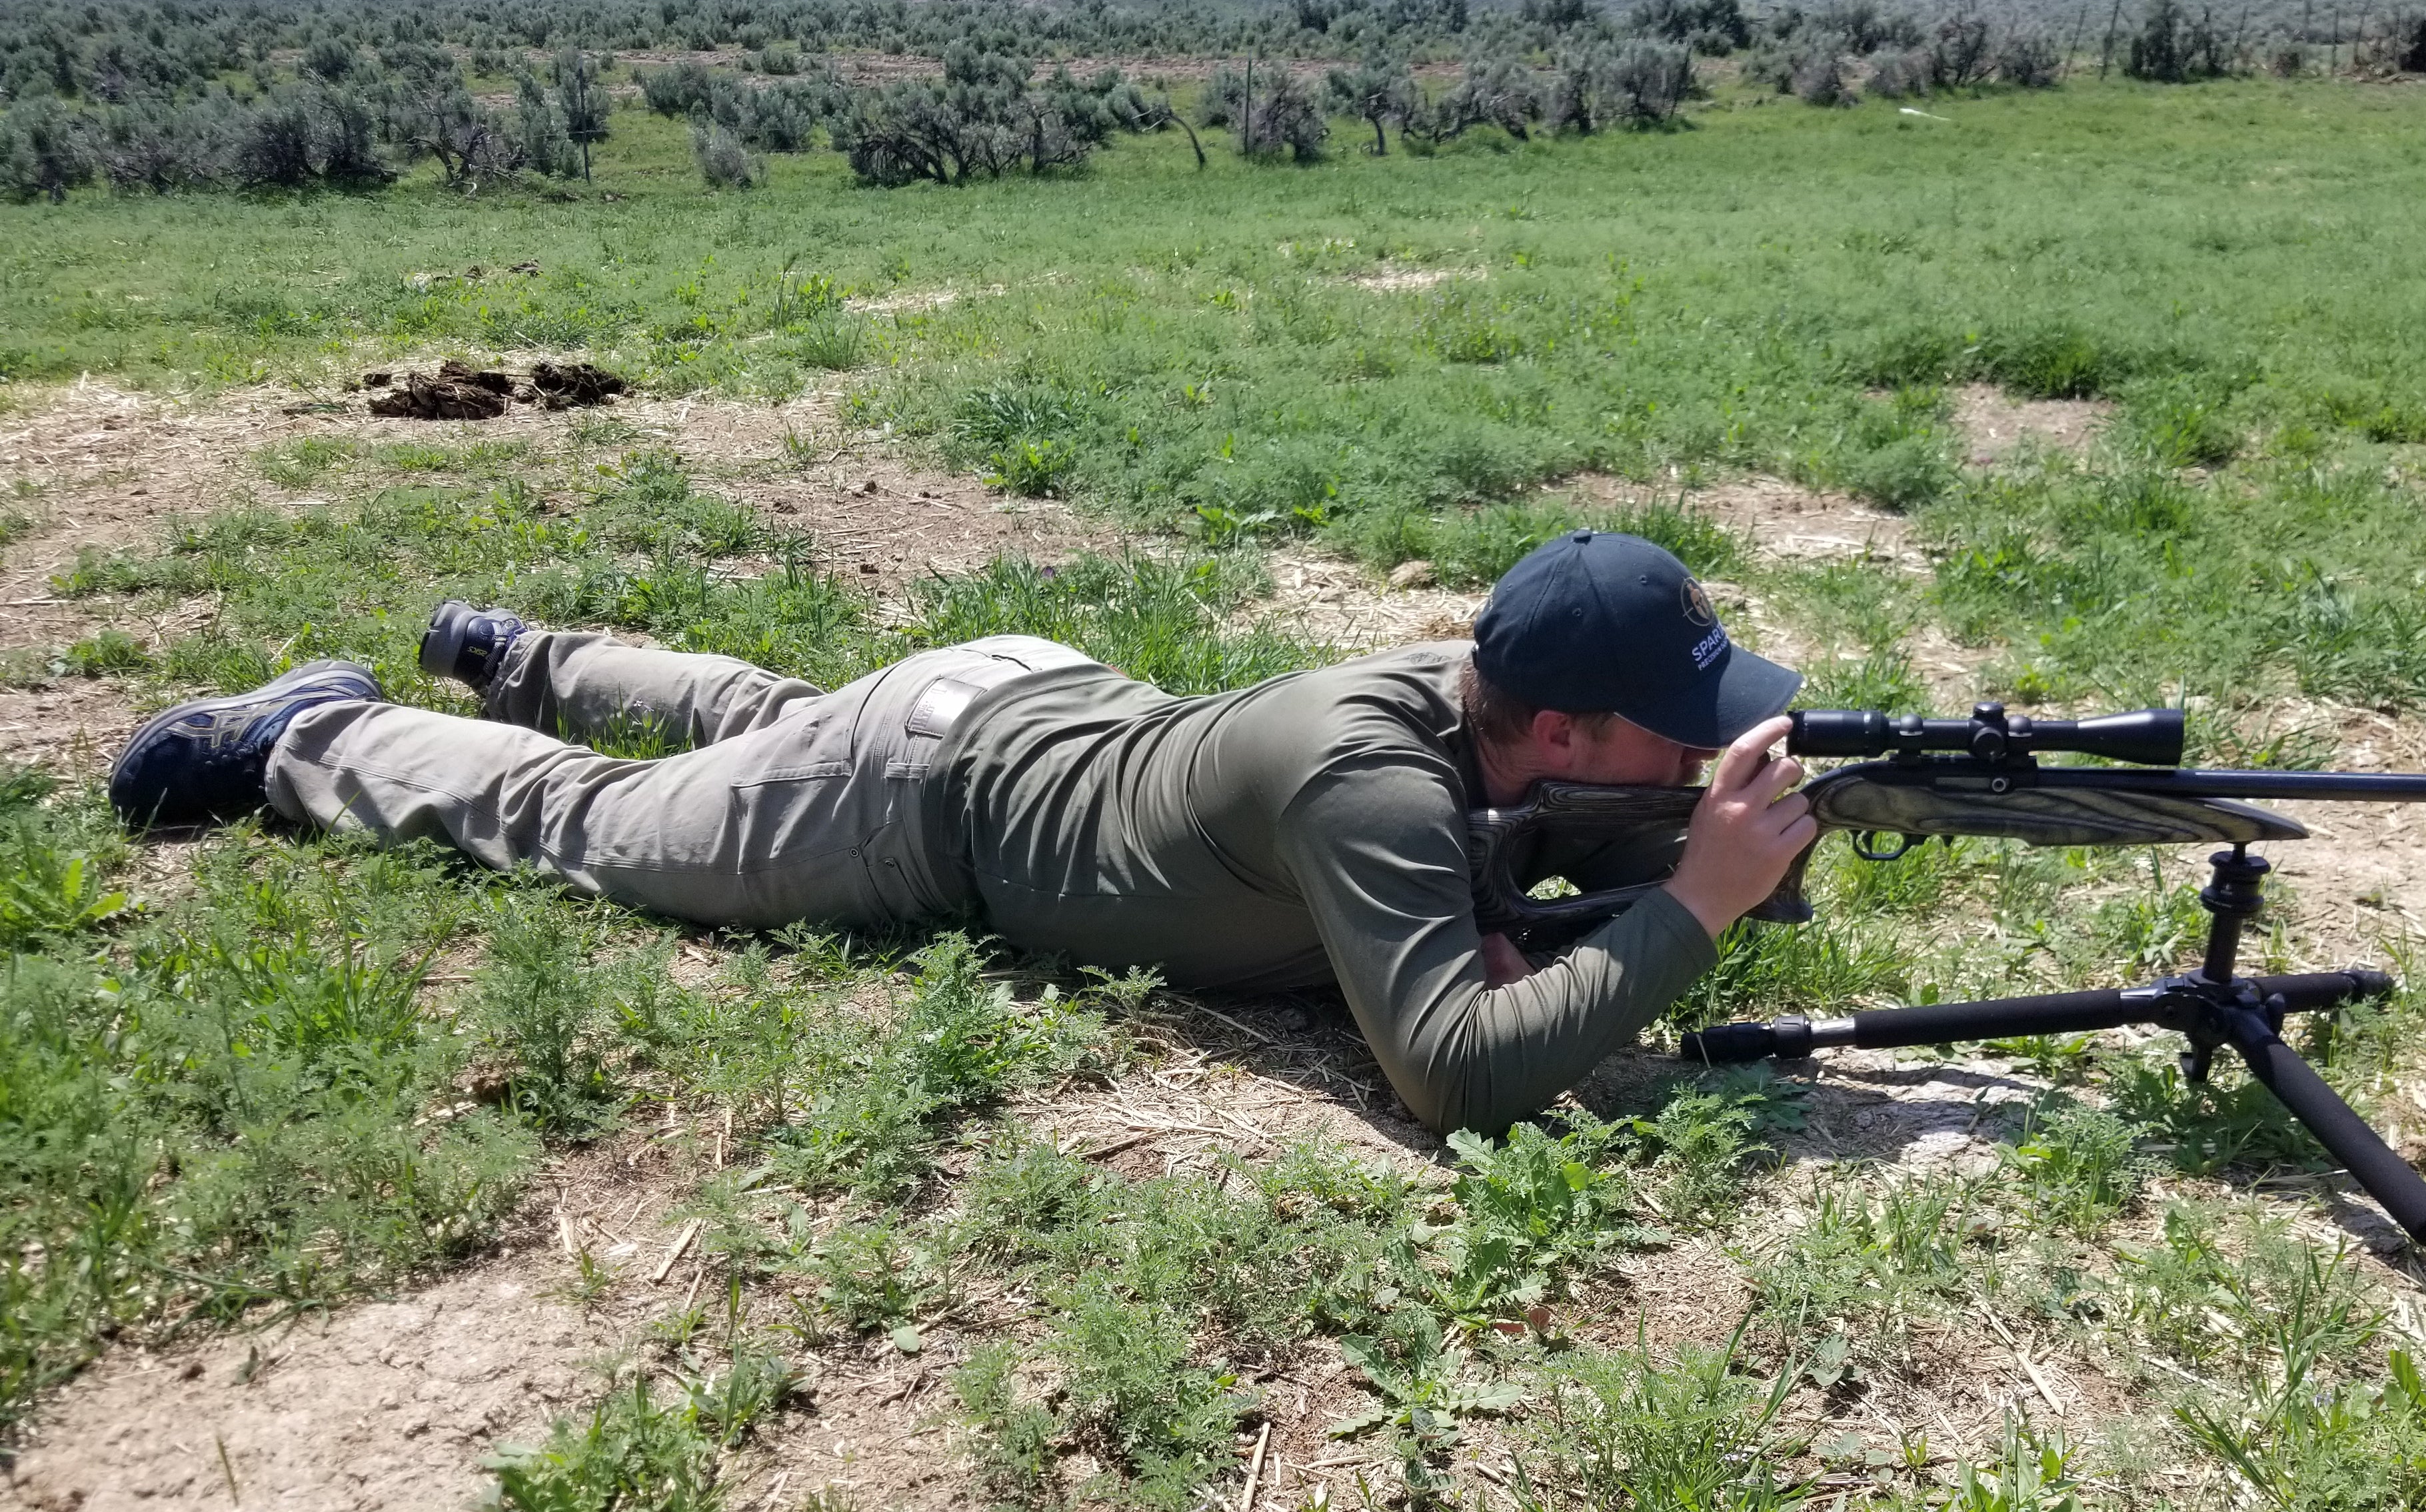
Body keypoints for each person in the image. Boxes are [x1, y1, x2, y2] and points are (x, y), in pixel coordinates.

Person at [107, 529, 1818, 1133]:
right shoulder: (1369, 784)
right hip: (916, 805)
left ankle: (516, 651)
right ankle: (312, 730)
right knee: (609, 824)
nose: (1708, 744)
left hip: (1012, 701)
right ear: (1569, 728)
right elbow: (1451, 1071)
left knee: (754, 714)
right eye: (1679, 728)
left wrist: (1700, 856)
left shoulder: (1479, 712)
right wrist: (1698, 905)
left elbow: (1540, 871)